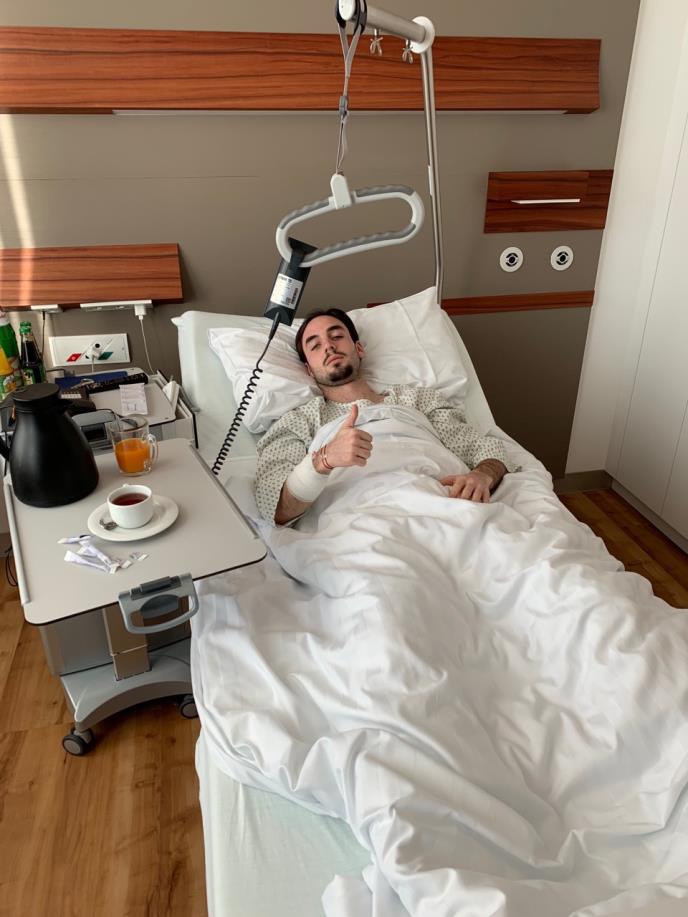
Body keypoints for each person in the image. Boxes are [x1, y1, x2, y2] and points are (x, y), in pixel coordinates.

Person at [255, 308, 515, 525]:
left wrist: (482, 475)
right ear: (308, 370)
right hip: (361, 521)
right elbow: (276, 508)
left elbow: (482, 449)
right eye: (315, 345)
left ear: (359, 348)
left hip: (446, 506)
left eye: (336, 336)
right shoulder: (300, 421)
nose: (329, 346)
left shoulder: (417, 399)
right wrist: (324, 460)